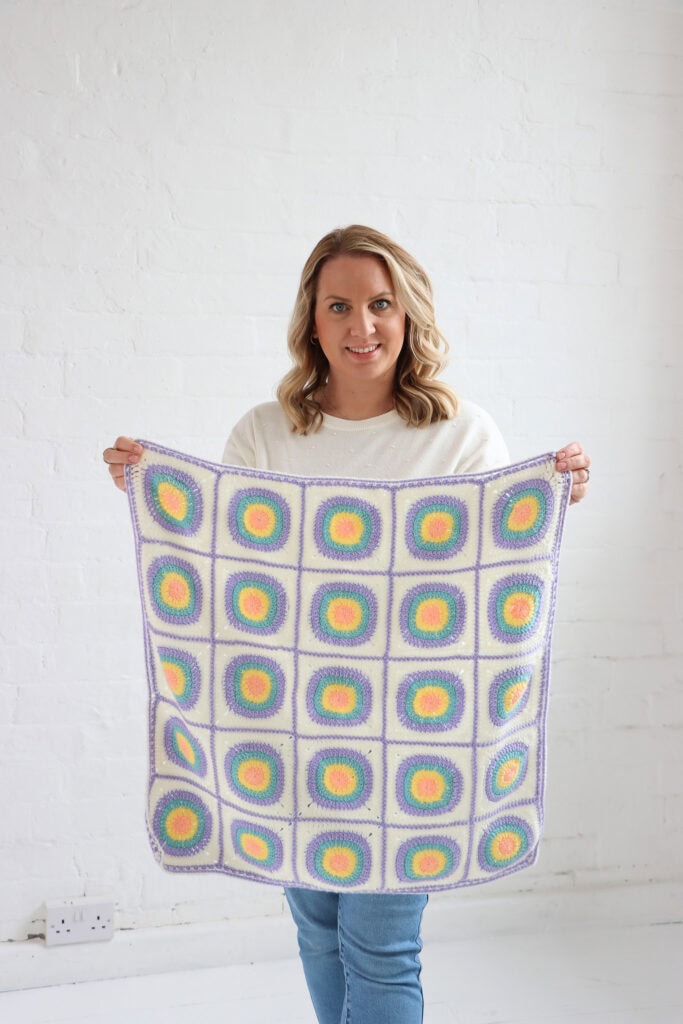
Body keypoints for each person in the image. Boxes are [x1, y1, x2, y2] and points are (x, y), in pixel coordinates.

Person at [103, 225, 590, 1024]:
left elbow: (494, 570)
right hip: (291, 729)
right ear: (312, 320)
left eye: (380, 304)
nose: (361, 326)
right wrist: (155, 492)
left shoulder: (460, 434)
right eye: (338, 306)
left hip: (416, 735)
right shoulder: (266, 432)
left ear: (408, 314)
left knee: (381, 944)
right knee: (319, 929)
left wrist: (550, 496)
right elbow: (228, 568)